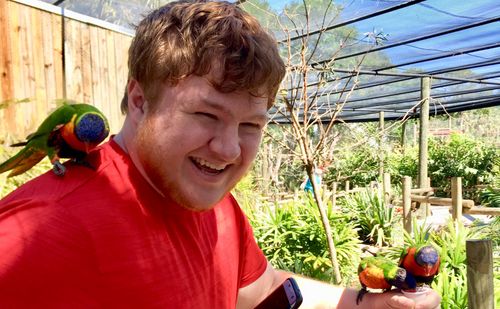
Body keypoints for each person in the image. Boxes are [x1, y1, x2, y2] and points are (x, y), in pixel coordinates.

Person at [0, 1, 441, 308]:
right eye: (206, 115)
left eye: (251, 125)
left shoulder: (216, 204)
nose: (229, 150)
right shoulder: (39, 237)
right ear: (139, 100)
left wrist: (363, 305)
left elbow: (255, 288)